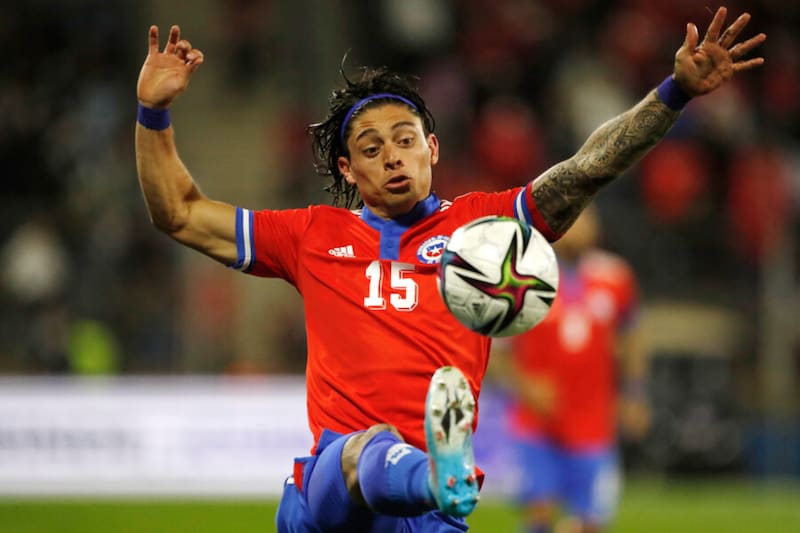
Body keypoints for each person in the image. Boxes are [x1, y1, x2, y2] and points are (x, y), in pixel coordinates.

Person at [134, 7, 764, 532]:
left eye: (406, 139)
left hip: (430, 516)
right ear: (348, 170)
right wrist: (153, 114)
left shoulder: (481, 230)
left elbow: (585, 170)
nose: (393, 157)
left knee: (386, 458)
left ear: (432, 149)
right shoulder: (311, 235)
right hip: (336, 489)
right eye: (372, 149)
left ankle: (437, 477)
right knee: (361, 447)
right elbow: (180, 213)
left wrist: (673, 93)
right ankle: (436, 472)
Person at [489, 206, 648, 533]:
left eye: (585, 219)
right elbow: (496, 351)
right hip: (537, 424)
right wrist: (524, 387)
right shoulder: (522, 277)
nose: (578, 227)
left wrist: (634, 393)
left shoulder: (615, 277)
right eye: (571, 219)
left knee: (590, 521)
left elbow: (632, 338)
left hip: (594, 424)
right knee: (539, 517)